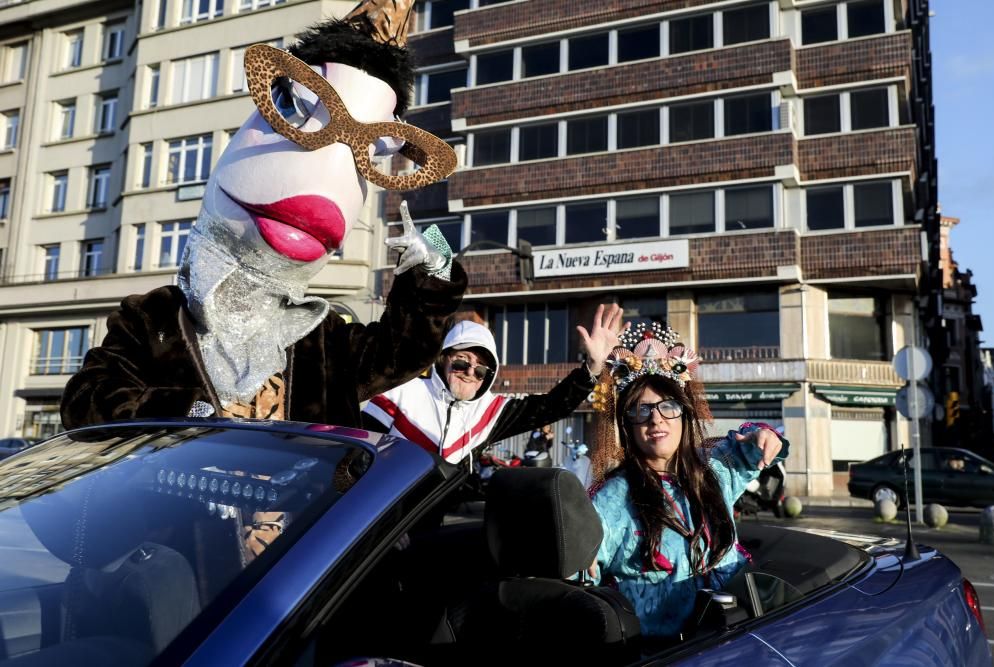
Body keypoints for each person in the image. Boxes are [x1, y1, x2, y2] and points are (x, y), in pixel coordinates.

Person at [60, 0, 465, 432]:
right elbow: (88, 401)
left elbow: (403, 352)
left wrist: (437, 257)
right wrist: (193, 414)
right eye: (298, 107)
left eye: (370, 150)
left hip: (301, 501)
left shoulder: (320, 337)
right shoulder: (156, 318)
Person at [586, 321, 788, 639]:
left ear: (685, 414)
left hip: (743, 637)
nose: (656, 418)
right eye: (641, 410)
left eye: (668, 406)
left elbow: (763, 448)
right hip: (669, 653)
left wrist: (764, 434)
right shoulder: (612, 498)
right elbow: (578, 574)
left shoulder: (714, 470)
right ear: (627, 426)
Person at [362, 304, 626, 465]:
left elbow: (551, 407)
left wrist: (593, 366)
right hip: (385, 524)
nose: (469, 374)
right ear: (443, 360)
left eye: (480, 371)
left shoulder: (490, 412)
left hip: (439, 529)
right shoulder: (401, 394)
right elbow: (357, 456)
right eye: (460, 363)